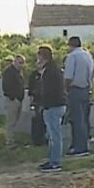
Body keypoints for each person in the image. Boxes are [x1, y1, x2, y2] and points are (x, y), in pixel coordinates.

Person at [35, 45, 67, 173]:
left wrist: (43, 103)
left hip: (53, 105)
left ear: (42, 57)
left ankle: (55, 163)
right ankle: (52, 159)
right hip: (55, 105)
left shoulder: (50, 71)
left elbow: (48, 90)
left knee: (54, 135)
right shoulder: (52, 69)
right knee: (52, 135)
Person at [63, 36, 94, 157]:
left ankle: (80, 148)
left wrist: (65, 89)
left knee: (76, 120)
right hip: (86, 89)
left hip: (75, 89)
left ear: (70, 45)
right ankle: (83, 144)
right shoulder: (88, 56)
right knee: (83, 119)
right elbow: (92, 74)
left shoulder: (72, 57)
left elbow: (68, 76)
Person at [1, 55, 26, 146]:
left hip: (18, 99)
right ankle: (9, 141)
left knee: (15, 121)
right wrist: (13, 98)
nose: (22, 65)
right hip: (12, 100)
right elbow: (6, 86)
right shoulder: (9, 72)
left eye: (23, 63)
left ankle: (13, 139)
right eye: (20, 63)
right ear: (15, 62)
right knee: (10, 122)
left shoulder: (19, 72)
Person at [27, 50, 47, 146]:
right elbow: (30, 89)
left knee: (45, 120)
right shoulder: (33, 75)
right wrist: (31, 101)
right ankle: (37, 139)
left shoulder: (47, 74)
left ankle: (44, 137)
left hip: (46, 100)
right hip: (37, 101)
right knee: (38, 119)